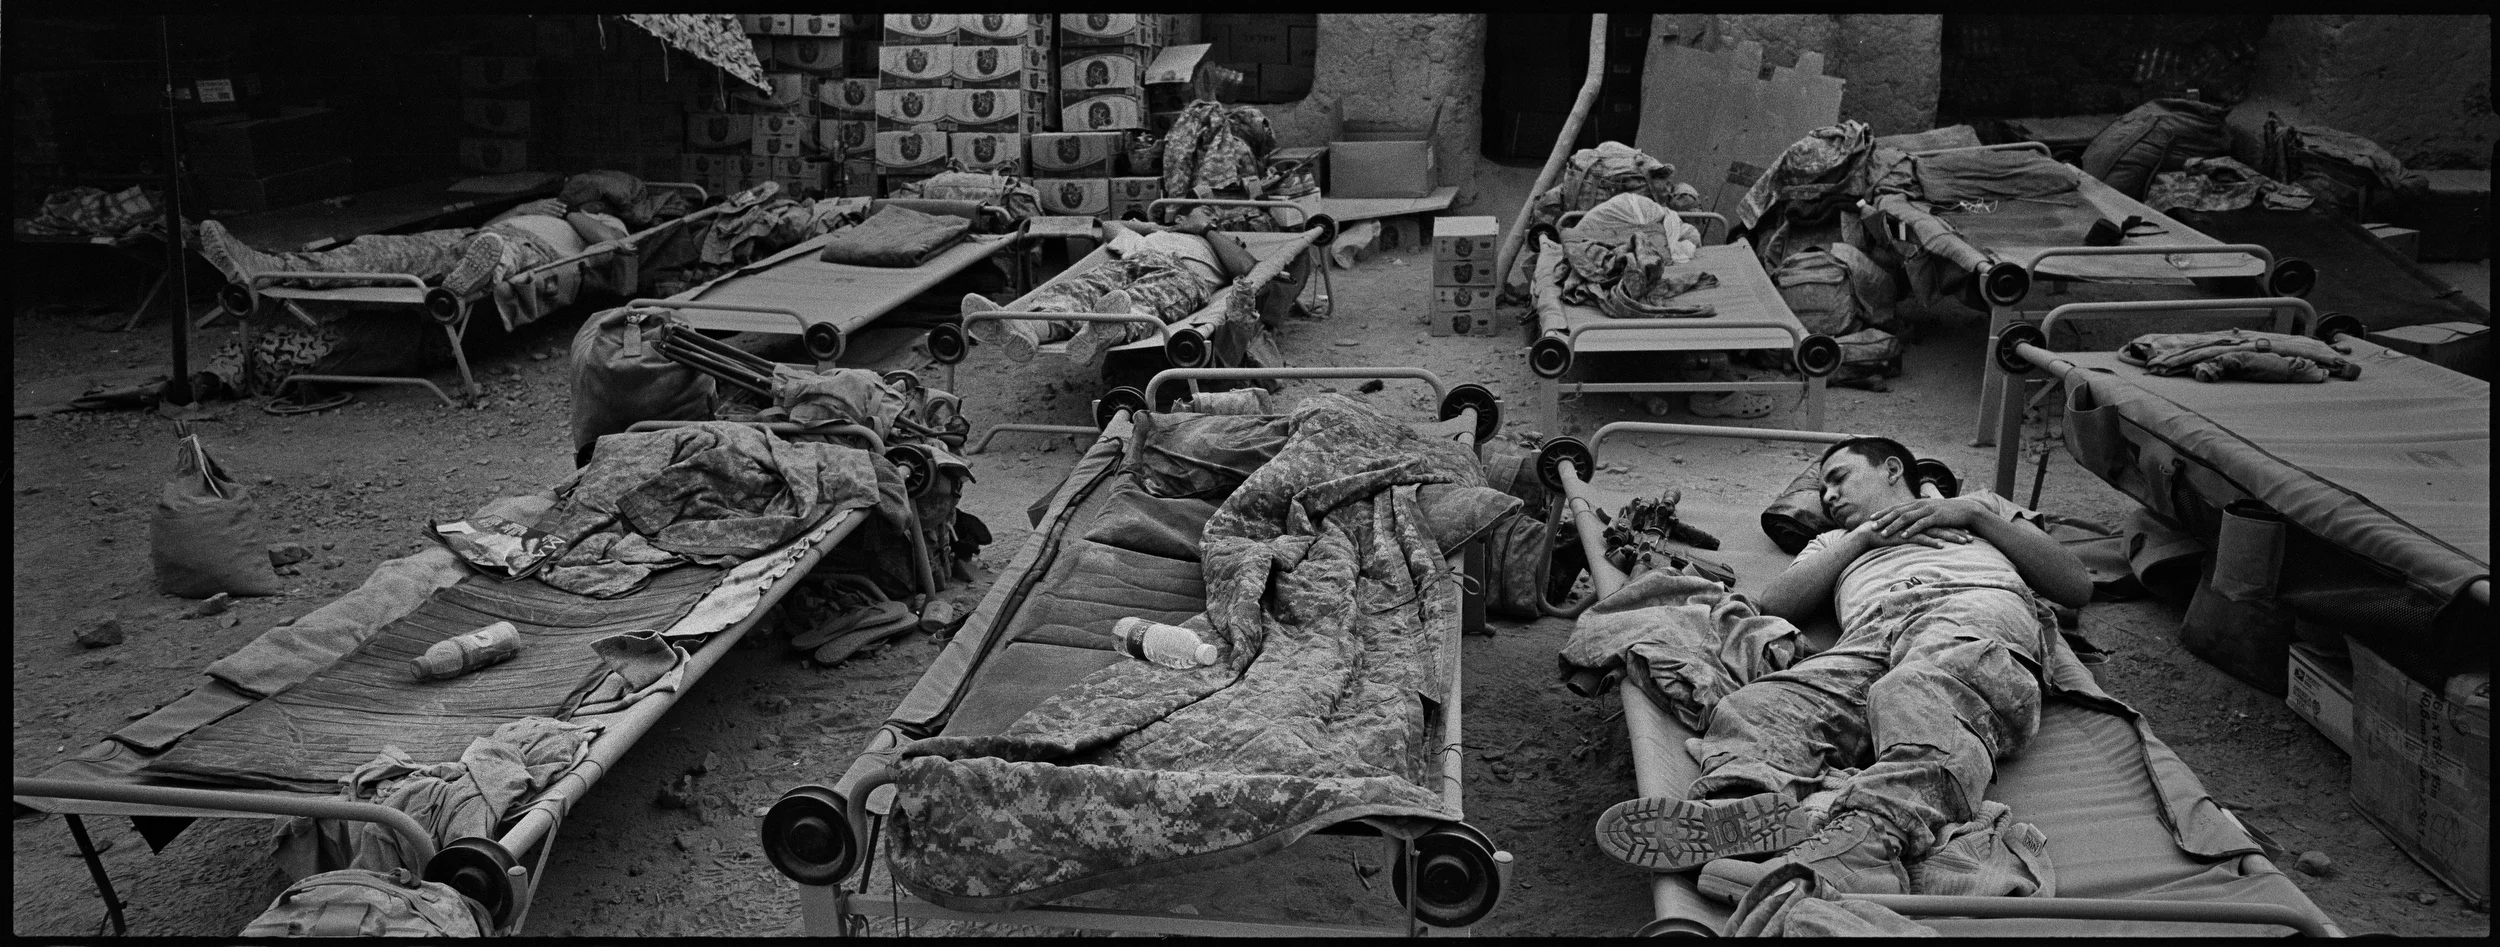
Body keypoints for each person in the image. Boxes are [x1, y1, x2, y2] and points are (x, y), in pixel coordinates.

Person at [1593, 436, 2091, 898]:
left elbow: (2075, 585)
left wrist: (1974, 515)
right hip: (1870, 634)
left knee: (1916, 692)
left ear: (1892, 469)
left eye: (1838, 478)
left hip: (1970, 609)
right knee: (1763, 704)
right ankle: (1742, 811)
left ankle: (1867, 847)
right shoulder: (1833, 541)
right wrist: (1858, 541)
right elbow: (1777, 604)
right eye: (1822, 490)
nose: (1829, 496)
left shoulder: (1982, 508)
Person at [960, 208, 1265, 363]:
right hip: (1132, 261)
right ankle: (1026, 328)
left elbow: (1245, 267)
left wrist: (1205, 228)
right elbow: (1108, 226)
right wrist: (1157, 227)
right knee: (1082, 288)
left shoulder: (1217, 245)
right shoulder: (1151, 236)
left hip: (1183, 274)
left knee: (1147, 298)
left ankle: (1105, 330)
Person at [193, 196, 630, 299]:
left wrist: (576, 212)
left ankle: (475, 276)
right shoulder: (534, 209)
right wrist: (522, 208)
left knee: (504, 251)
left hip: (535, 249)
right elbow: (485, 228)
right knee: (380, 249)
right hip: (470, 238)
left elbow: (614, 246)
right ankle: (264, 266)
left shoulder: (604, 221)